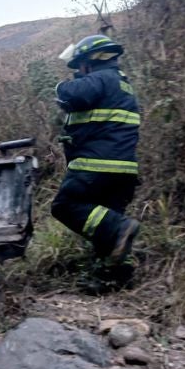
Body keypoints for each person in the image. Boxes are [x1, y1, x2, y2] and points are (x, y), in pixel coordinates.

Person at [52, 34, 141, 287]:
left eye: (79, 65)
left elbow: (69, 95)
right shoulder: (122, 85)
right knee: (104, 223)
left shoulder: (101, 78)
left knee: (65, 206)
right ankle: (114, 275)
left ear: (91, 60)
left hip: (96, 165)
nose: (78, 71)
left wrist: (61, 86)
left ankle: (121, 227)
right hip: (124, 170)